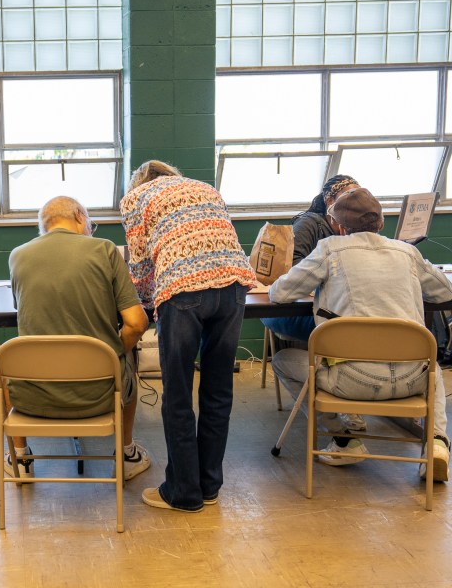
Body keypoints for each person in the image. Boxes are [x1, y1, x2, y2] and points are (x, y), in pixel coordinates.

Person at [270, 187, 452, 480]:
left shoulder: (329, 250)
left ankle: (345, 440)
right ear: (381, 223)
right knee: (433, 367)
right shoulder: (408, 252)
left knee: (282, 359)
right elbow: (445, 291)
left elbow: (280, 293)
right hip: (411, 381)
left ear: (340, 227)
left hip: (349, 380)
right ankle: (437, 443)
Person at [121, 161, 257, 512]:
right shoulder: (206, 189)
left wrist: (147, 308)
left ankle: (183, 492)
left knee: (178, 394)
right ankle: (209, 485)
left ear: (139, 183)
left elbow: (139, 267)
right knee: (218, 390)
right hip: (234, 287)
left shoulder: (135, 199)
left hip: (182, 290)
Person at [7, 196, 151, 481]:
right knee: (128, 358)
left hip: (32, 397)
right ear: (79, 216)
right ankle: (126, 453)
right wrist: (115, 353)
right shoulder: (105, 250)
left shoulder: (18, 255)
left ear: (44, 226)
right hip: (99, 396)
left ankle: (21, 460)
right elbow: (136, 324)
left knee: (13, 362)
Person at [261, 174, 360, 343]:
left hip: (337, 307)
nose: (355, 203)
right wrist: (322, 278)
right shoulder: (309, 224)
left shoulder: (354, 226)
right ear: (330, 201)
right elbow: (292, 264)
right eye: (349, 196)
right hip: (300, 305)